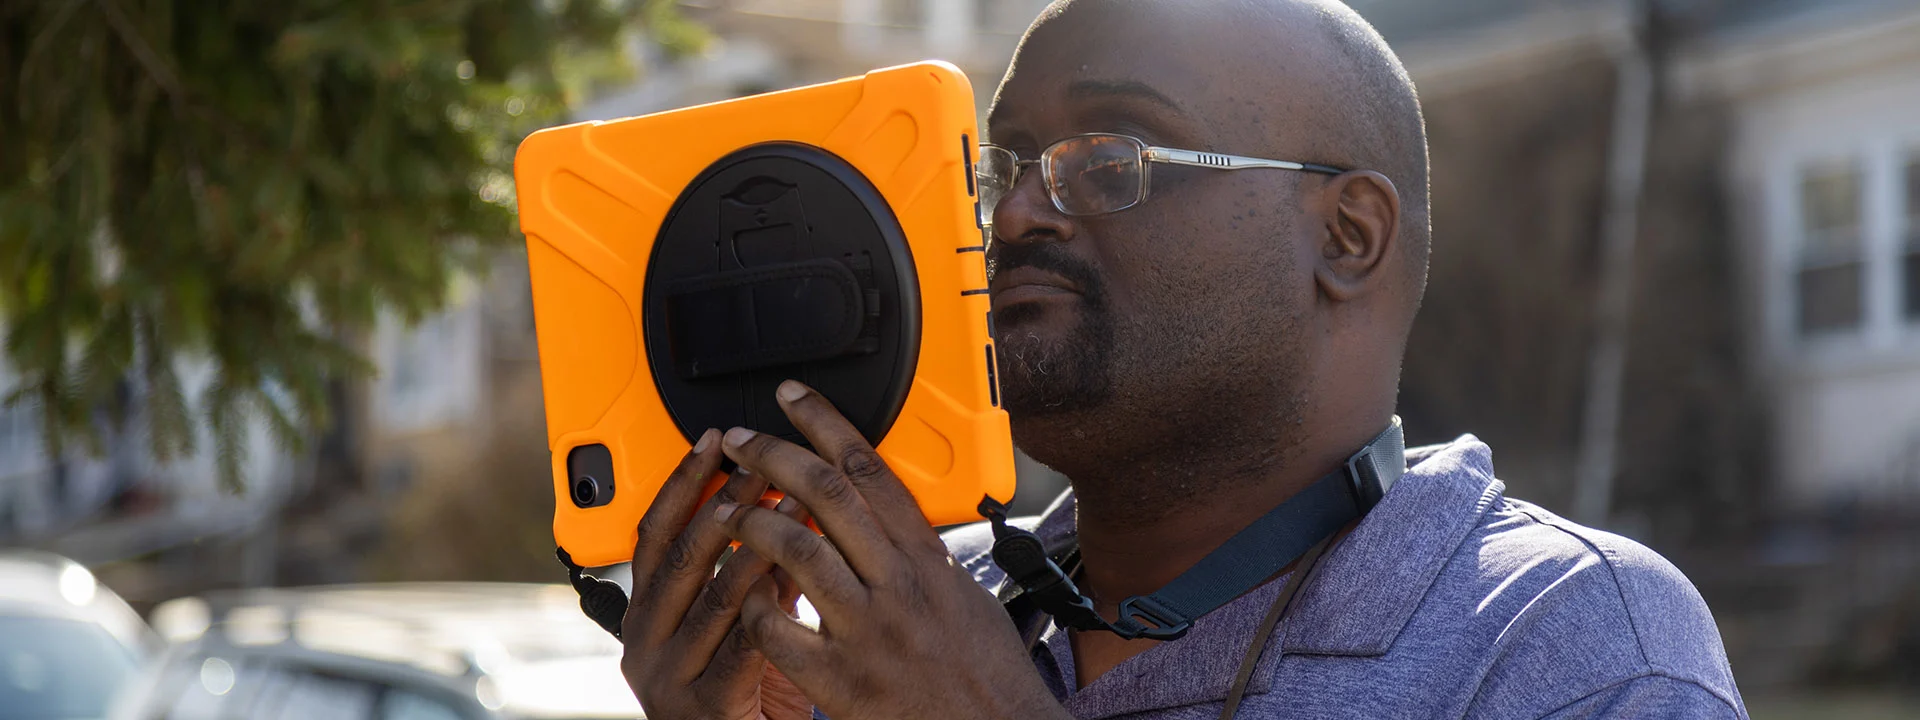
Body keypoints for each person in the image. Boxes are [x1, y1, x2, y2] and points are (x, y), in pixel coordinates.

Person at [612, 0, 1749, 718]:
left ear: (1346, 237)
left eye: (1111, 158)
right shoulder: (898, 612)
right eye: (1004, 168)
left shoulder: (1565, 639)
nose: (1016, 217)